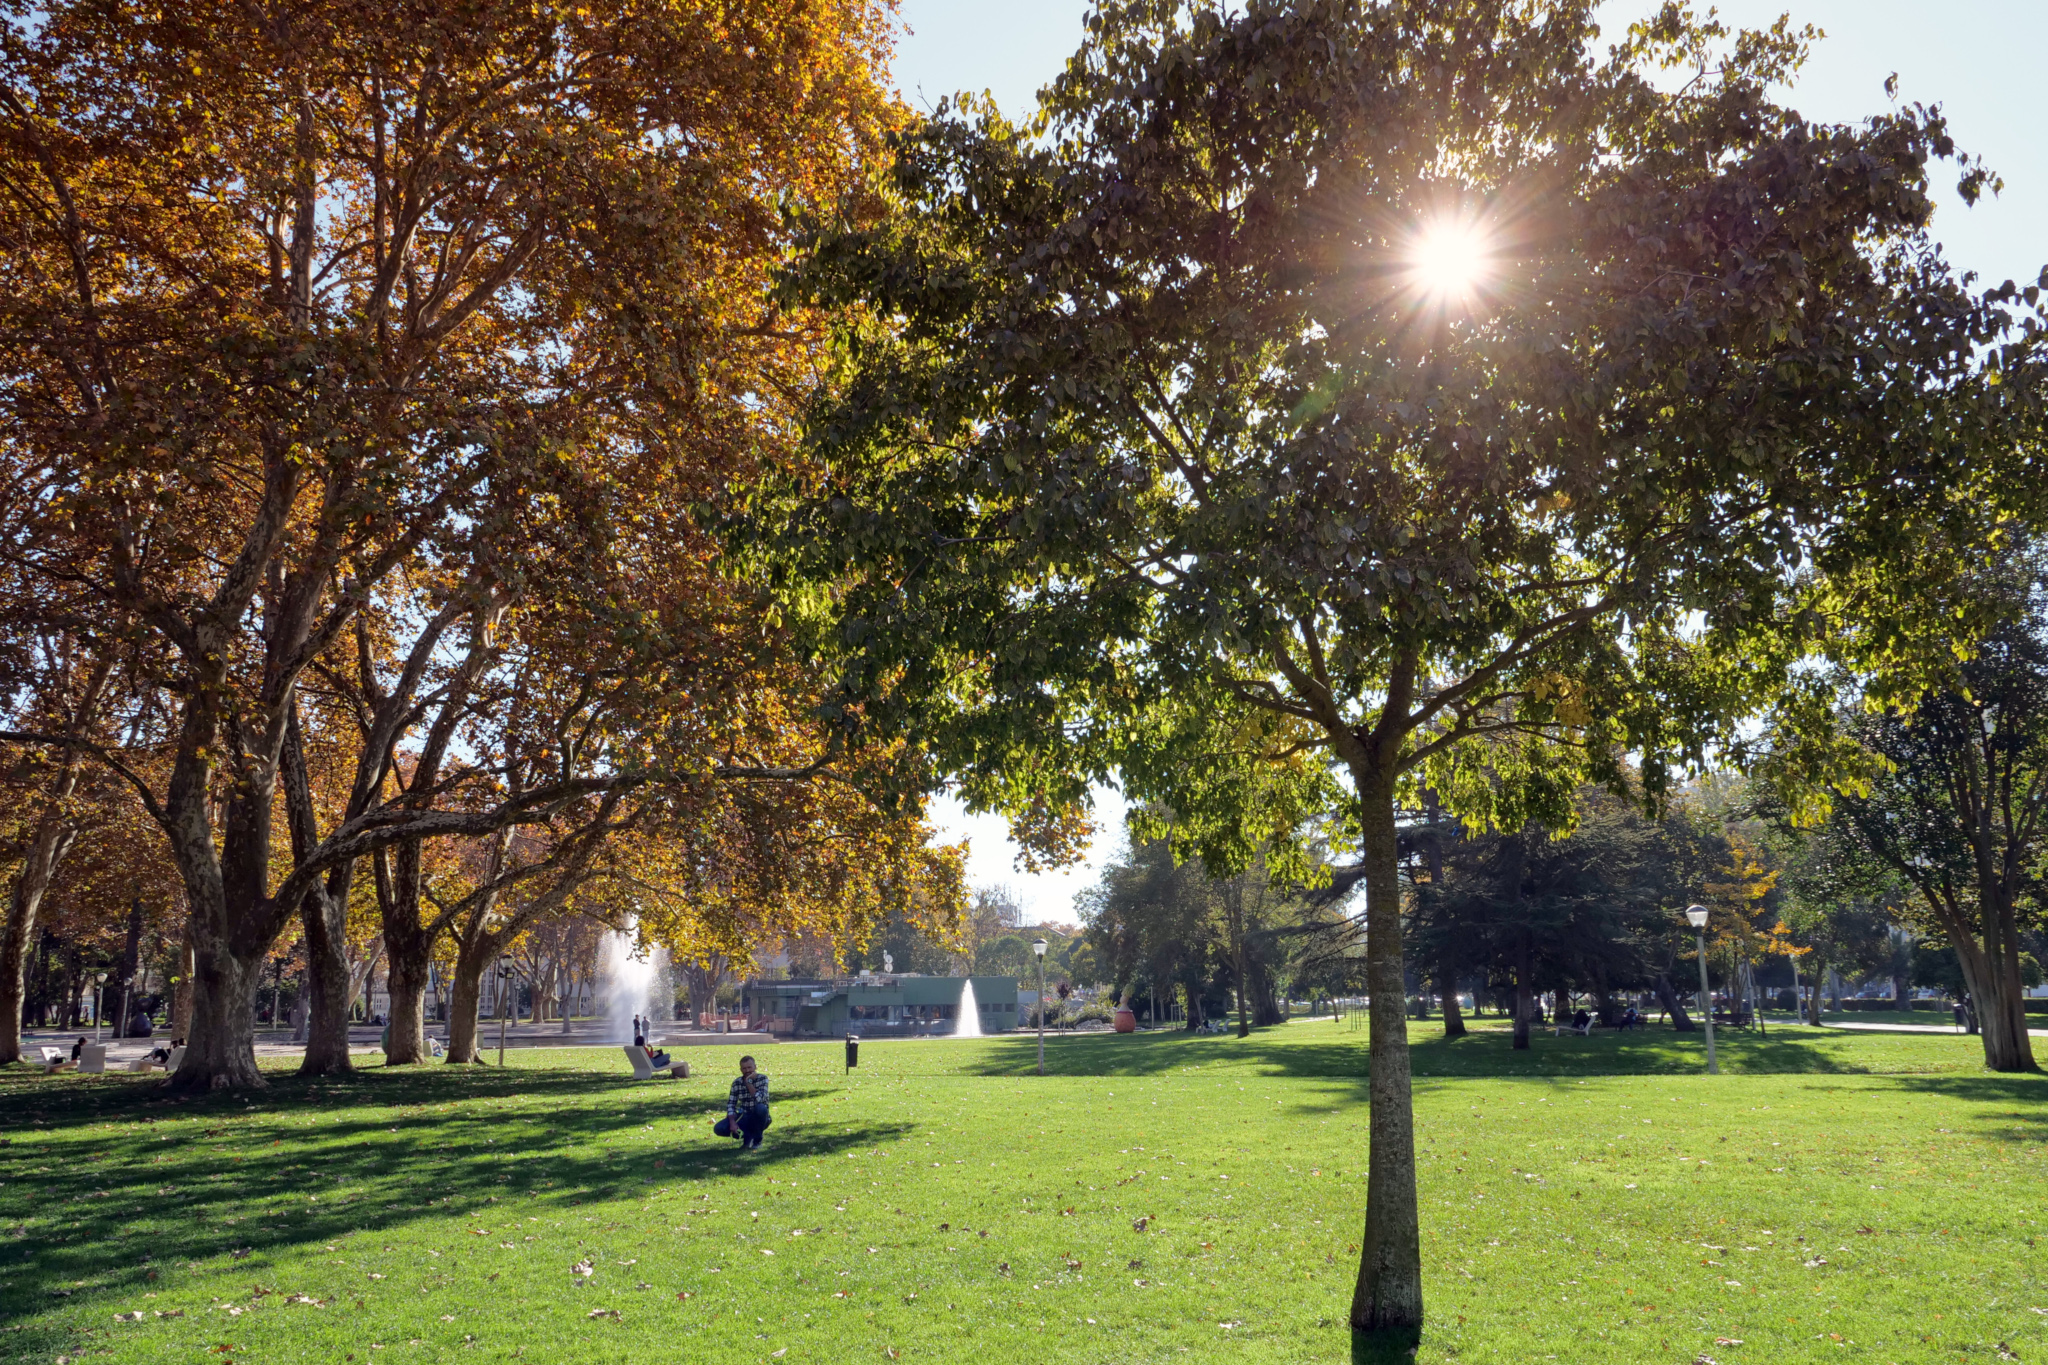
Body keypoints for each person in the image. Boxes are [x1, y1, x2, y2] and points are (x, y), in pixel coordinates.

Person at [712, 1055, 770, 1150]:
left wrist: (748, 1083)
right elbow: (731, 1104)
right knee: (719, 1128)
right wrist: (732, 1122)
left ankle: (757, 1141)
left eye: (749, 1067)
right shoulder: (737, 1082)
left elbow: (760, 1099)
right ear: (741, 1070)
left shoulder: (763, 1079)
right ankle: (748, 1138)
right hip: (743, 1115)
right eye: (744, 1068)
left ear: (755, 1067)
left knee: (761, 1108)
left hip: (760, 1116)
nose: (747, 1071)